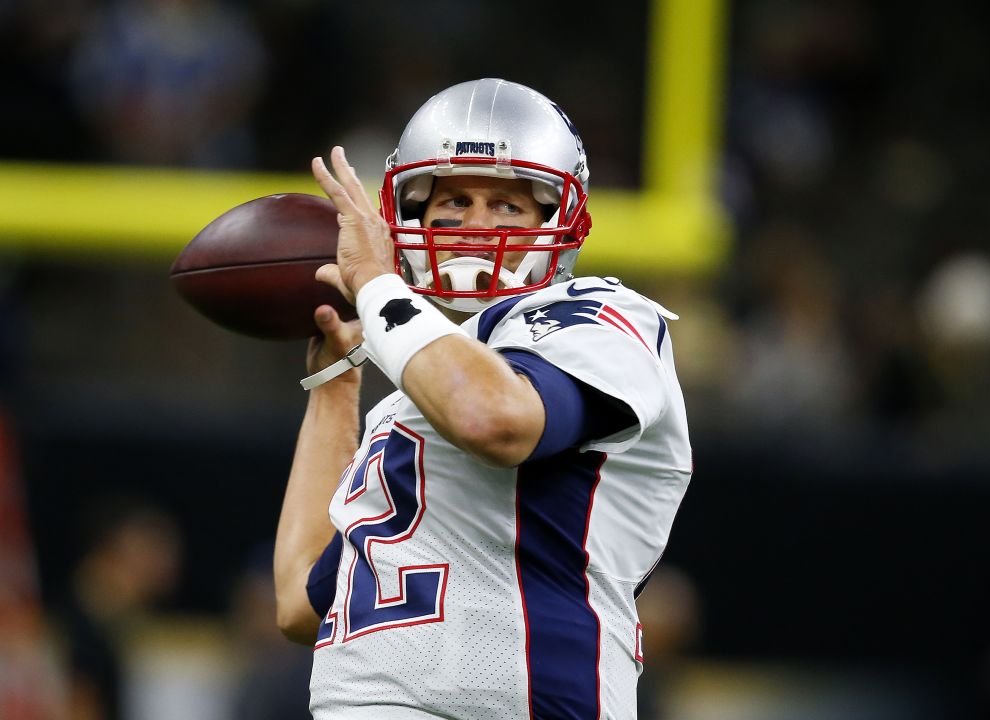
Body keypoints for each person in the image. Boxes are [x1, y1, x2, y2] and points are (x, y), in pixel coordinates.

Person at [272, 78, 693, 719]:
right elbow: (302, 604)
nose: (474, 226)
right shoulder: (405, 409)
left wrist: (380, 288)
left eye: (506, 205)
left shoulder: (604, 320)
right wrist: (335, 388)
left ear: (558, 218)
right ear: (409, 218)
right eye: (454, 202)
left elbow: (493, 419)